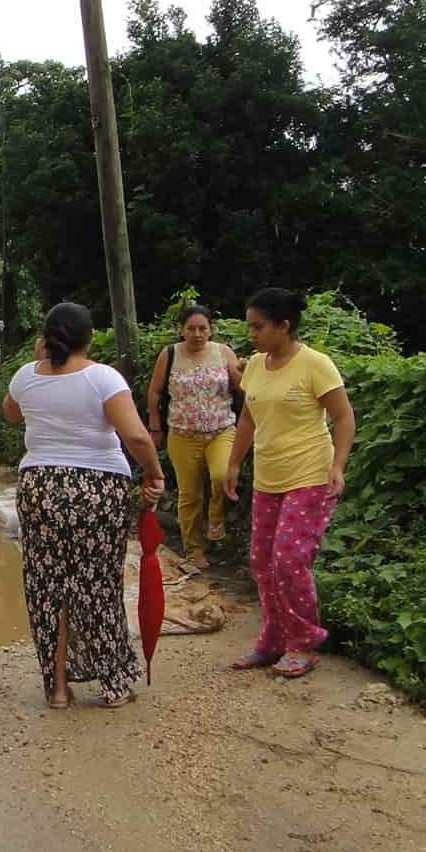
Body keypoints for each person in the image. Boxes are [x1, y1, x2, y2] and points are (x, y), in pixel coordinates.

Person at [4, 303, 167, 709]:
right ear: (90, 336)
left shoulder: (27, 376)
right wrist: (155, 474)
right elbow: (138, 438)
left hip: (39, 488)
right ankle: (113, 687)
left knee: (48, 589)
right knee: (97, 586)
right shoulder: (102, 377)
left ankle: (57, 689)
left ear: (47, 338)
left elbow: (10, 414)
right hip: (96, 489)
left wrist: (38, 365)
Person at [221, 288, 356, 679]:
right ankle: (273, 639)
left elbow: (344, 418)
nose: (252, 334)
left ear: (284, 326)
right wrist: (233, 463)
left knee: (289, 561)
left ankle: (303, 643)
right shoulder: (257, 367)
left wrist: (338, 466)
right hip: (268, 477)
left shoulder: (317, 365)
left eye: (259, 326)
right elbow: (248, 419)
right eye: (250, 326)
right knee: (263, 562)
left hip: (310, 475)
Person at [145, 305, 243, 571]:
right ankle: (193, 550)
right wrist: (155, 425)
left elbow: (242, 384)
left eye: (202, 328)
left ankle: (215, 520)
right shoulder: (170, 354)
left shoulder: (223, 352)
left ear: (211, 329)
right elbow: (154, 392)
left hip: (221, 429)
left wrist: (242, 371)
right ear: (182, 330)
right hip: (182, 433)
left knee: (222, 476)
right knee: (189, 495)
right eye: (191, 328)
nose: (197, 334)